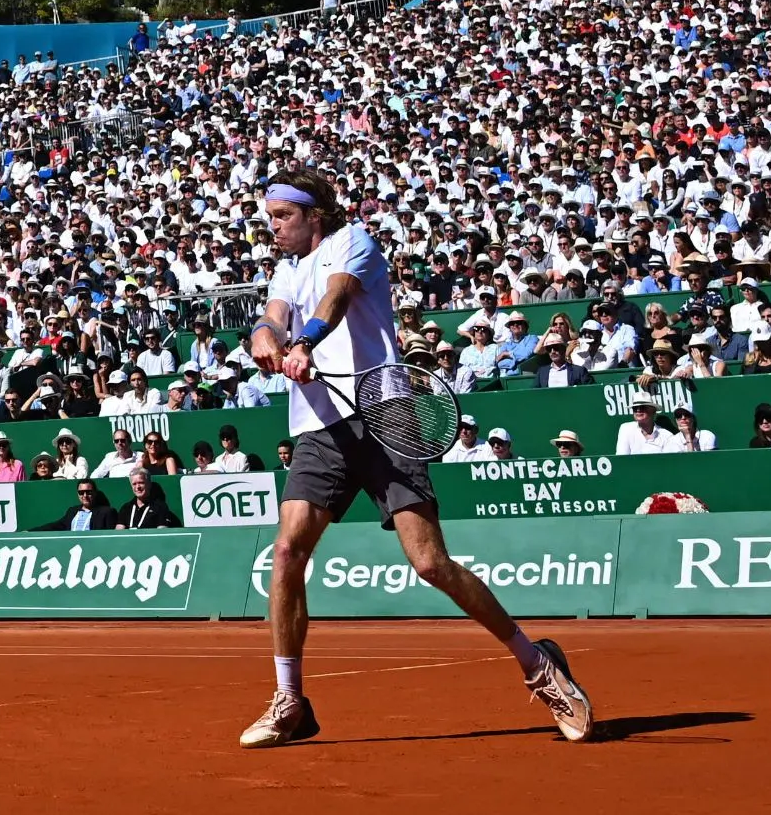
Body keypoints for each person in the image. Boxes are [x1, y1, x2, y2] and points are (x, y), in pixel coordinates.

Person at [236, 171, 590, 749]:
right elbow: (275, 313)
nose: (272, 227)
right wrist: (265, 334)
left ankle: (538, 663)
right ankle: (290, 700)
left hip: (384, 411)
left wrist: (304, 342)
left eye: (281, 216)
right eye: (270, 216)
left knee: (429, 563)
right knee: (286, 551)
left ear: (313, 215)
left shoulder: (352, 242)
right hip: (319, 427)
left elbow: (337, 297)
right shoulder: (285, 266)